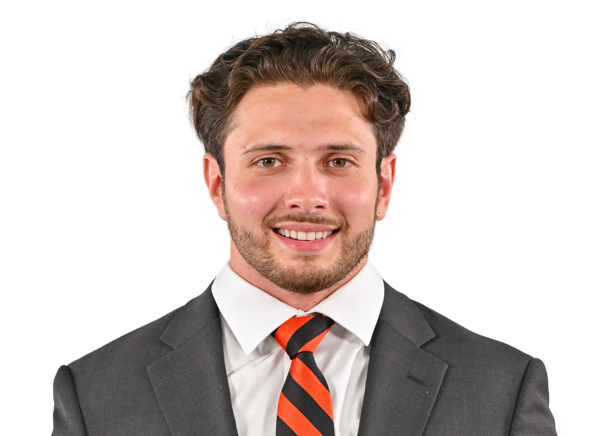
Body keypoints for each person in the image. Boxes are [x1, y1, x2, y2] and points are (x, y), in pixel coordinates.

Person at [52, 19, 557, 435]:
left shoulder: (505, 387)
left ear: (384, 184)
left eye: (338, 161)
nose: (306, 197)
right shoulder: (92, 395)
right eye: (269, 161)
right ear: (215, 183)